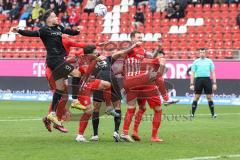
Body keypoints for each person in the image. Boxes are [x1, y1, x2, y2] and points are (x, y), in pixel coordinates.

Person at [10, 9, 84, 130]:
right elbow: (31, 33)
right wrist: (18, 30)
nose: (57, 18)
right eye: (54, 16)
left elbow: (69, 31)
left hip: (58, 60)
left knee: (60, 88)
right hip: (54, 60)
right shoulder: (44, 30)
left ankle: (52, 114)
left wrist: (77, 31)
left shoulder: (59, 28)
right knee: (76, 74)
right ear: (49, 19)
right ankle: (75, 100)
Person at [75, 43, 139, 142]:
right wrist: (134, 46)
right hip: (110, 79)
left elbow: (121, 52)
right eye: (95, 51)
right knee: (117, 106)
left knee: (96, 108)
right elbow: (122, 52)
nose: (97, 52)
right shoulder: (103, 59)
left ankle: (95, 135)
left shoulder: (91, 60)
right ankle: (116, 132)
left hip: (100, 80)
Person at [119, 31, 165, 142]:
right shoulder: (129, 48)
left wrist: (158, 48)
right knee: (157, 109)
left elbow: (151, 56)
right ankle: (153, 136)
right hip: (136, 80)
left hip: (135, 82)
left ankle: (129, 132)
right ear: (132, 39)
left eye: (141, 37)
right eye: (138, 37)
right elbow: (124, 52)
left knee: (140, 108)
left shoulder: (142, 50)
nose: (141, 39)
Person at [190, 48, 217, 118]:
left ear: (206, 53)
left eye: (203, 52)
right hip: (198, 80)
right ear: (199, 53)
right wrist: (191, 84)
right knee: (196, 97)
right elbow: (192, 73)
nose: (202, 54)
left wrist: (214, 83)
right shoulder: (195, 62)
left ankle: (213, 114)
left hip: (207, 80)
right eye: (201, 52)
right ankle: (192, 114)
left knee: (209, 97)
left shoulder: (209, 61)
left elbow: (213, 72)